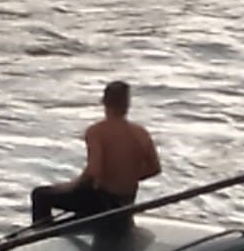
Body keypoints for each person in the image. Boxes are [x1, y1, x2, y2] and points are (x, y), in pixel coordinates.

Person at [31, 80, 162, 227]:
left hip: (102, 203)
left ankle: (42, 237)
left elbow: (94, 171)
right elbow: (155, 169)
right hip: (127, 201)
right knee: (83, 194)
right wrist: (127, 177)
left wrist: (71, 186)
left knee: (41, 195)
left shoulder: (96, 132)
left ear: (104, 102)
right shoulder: (141, 133)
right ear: (127, 105)